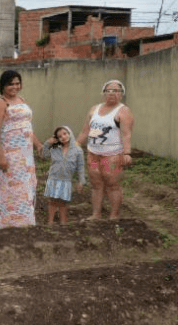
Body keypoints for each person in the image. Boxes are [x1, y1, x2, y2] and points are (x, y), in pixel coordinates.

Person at [0, 70, 43, 229]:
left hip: (25, 154)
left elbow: (27, 127)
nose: (14, 87)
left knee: (27, 186)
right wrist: (1, 156)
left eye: (17, 83)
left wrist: (38, 145)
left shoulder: (22, 101)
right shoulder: (0, 103)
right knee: (11, 188)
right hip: (9, 154)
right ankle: (10, 224)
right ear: (3, 86)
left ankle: (26, 222)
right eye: (10, 84)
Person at [76, 80, 134, 220]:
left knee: (112, 184)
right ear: (103, 93)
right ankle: (96, 214)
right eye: (108, 90)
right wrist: (75, 146)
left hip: (112, 155)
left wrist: (127, 153)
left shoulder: (123, 111)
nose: (112, 93)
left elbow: (126, 134)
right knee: (96, 184)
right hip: (93, 153)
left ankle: (114, 215)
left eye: (116, 91)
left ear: (121, 94)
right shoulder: (94, 109)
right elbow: (85, 131)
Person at [42, 126, 85, 225]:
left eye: (65, 134)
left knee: (63, 203)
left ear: (69, 133)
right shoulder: (55, 149)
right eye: (60, 136)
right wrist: (47, 144)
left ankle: (63, 223)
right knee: (53, 201)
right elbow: (45, 155)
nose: (63, 137)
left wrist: (81, 182)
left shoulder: (78, 151)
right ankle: (50, 222)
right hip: (54, 179)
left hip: (66, 180)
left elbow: (80, 167)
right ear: (57, 138)